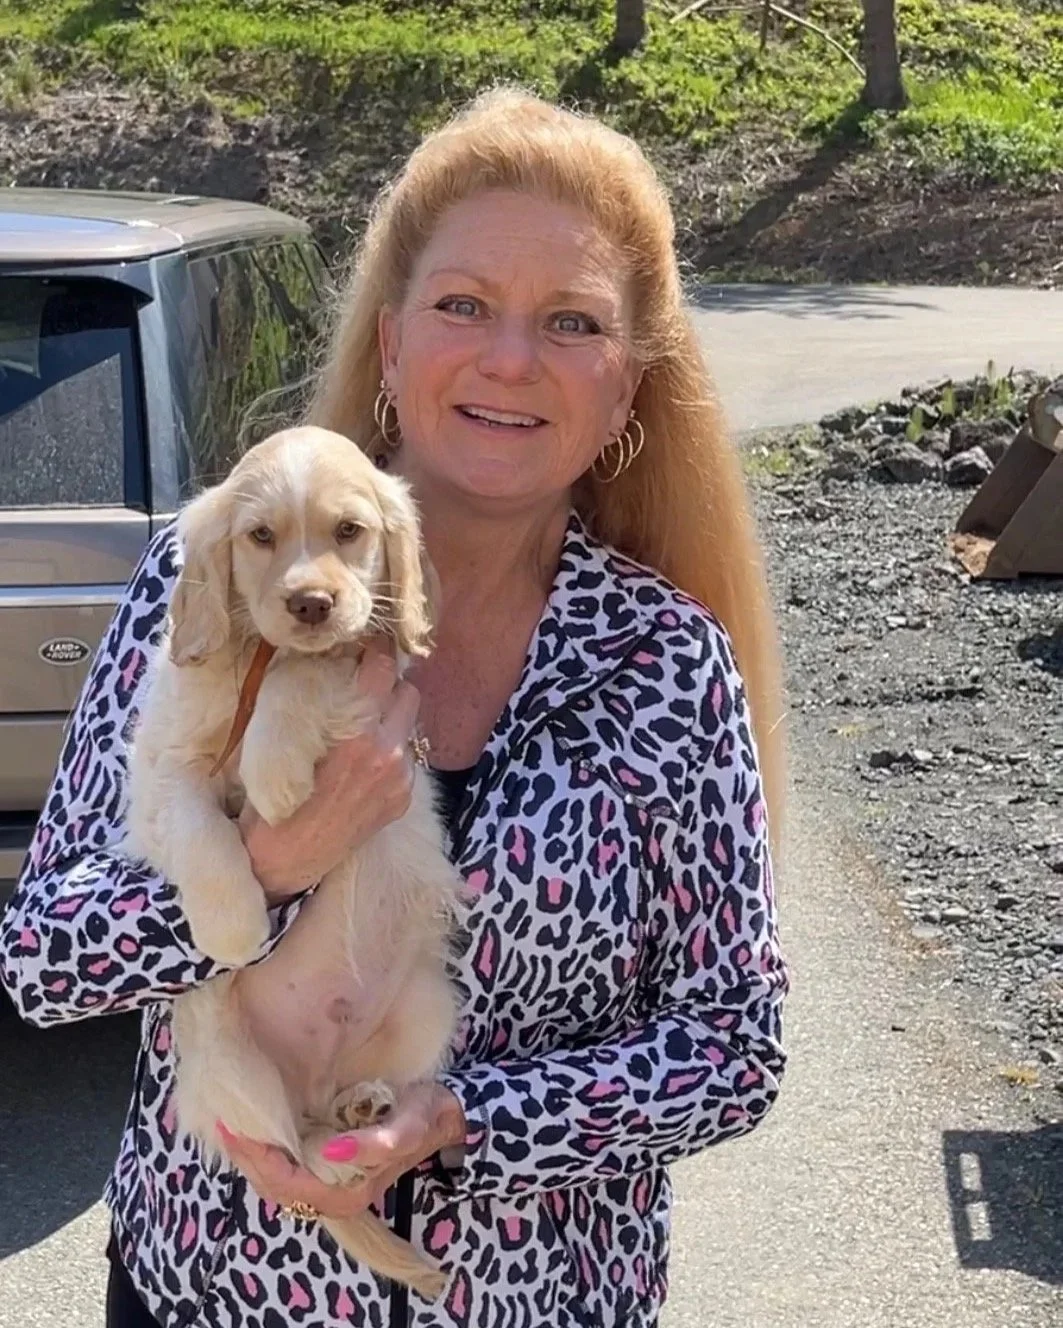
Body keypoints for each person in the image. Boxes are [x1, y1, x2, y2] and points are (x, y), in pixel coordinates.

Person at [0, 88, 789, 1328]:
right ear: (391, 338)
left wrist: (468, 1115)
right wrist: (267, 866)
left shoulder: (665, 662)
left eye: (571, 321)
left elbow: (735, 1050)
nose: (509, 358)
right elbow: (43, 960)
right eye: (463, 305)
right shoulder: (209, 573)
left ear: (628, 386)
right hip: (215, 1291)